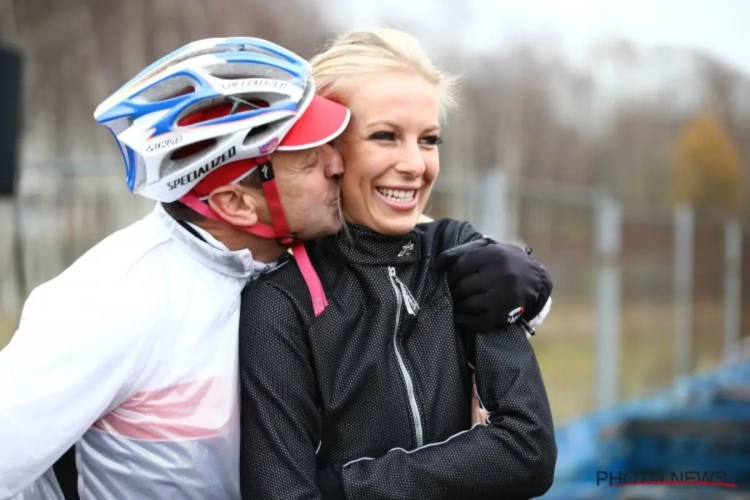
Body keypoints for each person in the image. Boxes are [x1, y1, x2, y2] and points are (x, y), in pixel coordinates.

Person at [0, 36, 552, 500]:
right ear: (238, 204)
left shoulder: (278, 249)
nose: (340, 164)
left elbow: (397, 265)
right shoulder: (112, 301)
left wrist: (523, 283)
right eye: (314, 158)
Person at [238, 28, 557, 500]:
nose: (415, 164)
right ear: (329, 149)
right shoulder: (280, 301)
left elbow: (528, 450)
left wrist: (347, 488)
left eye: (428, 140)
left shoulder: (461, 257)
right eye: (385, 136)